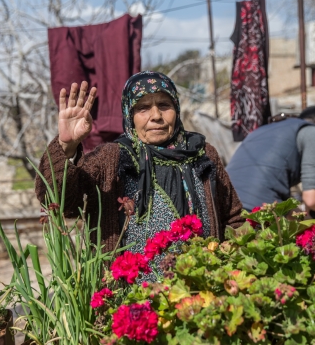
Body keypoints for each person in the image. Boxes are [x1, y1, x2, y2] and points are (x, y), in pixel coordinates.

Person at [35, 71, 244, 275]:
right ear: (129, 114)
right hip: (132, 301)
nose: (156, 116)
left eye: (164, 105)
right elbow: (60, 202)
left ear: (176, 109)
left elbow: (234, 217)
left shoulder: (202, 154)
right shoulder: (111, 158)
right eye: (143, 108)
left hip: (201, 294)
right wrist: (66, 146)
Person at [226, 105, 315, 215]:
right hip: (256, 213)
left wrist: (301, 215)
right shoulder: (313, 132)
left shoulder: (264, 130)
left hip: (223, 206)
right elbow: (312, 198)